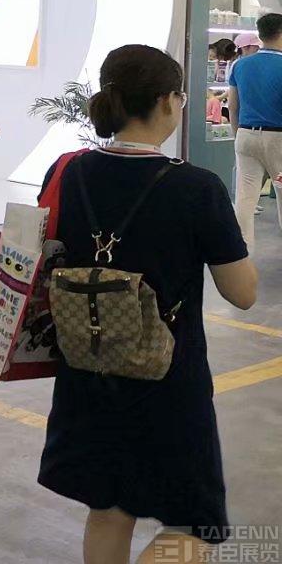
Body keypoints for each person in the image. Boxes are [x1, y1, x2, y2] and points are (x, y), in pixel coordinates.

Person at [38, 44, 256, 564]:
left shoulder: (67, 171)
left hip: (87, 367)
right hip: (166, 380)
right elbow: (242, 293)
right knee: (197, 524)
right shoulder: (196, 186)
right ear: (165, 101)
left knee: (109, 508)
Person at [227, 11, 282, 249]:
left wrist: (237, 134)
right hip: (278, 139)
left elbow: (233, 105)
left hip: (246, 136)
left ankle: (241, 252)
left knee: (245, 197)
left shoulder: (240, 65)